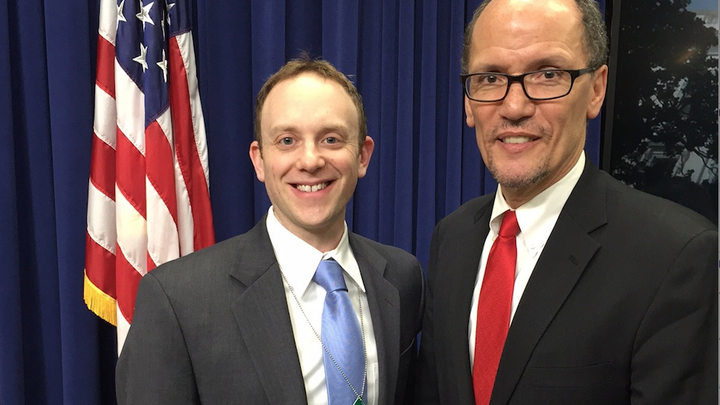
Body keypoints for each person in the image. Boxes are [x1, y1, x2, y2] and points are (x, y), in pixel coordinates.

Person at [414, 0, 718, 404]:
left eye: (547, 74)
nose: (514, 107)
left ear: (595, 90)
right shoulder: (451, 238)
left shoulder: (674, 255)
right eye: (490, 78)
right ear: (469, 102)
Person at [116, 56, 424, 405]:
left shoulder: (401, 277)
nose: (310, 161)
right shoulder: (176, 299)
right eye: (287, 140)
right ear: (259, 160)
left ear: (363, 156)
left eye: (332, 139)